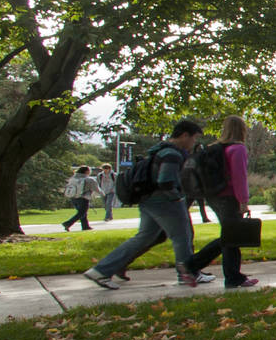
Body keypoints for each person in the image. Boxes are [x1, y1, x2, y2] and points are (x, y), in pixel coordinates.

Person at [82, 119, 203, 289]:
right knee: (182, 237)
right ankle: (187, 273)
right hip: (165, 201)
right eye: (194, 138)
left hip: (148, 200)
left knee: (143, 238)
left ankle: (101, 270)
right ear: (184, 135)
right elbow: (165, 181)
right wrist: (177, 198)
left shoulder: (159, 150)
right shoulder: (172, 155)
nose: (194, 143)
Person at [184, 116, 259, 289]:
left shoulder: (215, 148)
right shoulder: (237, 149)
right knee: (231, 237)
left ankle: (233, 277)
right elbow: (239, 178)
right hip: (229, 197)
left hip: (214, 196)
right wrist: (243, 201)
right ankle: (193, 265)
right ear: (242, 129)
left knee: (231, 236)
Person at [61, 166, 94, 231]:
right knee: (82, 212)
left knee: (82, 212)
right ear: (86, 171)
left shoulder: (73, 178)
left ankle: (85, 226)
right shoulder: (86, 179)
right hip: (82, 197)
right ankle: (68, 223)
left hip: (73, 197)